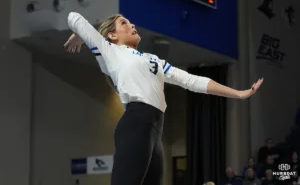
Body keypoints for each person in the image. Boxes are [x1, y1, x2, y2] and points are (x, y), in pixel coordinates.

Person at [64, 12, 264, 185]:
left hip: (155, 130)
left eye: (130, 22)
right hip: (135, 124)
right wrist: (81, 34)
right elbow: (74, 17)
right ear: (112, 35)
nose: (132, 24)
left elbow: (191, 80)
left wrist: (238, 93)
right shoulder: (109, 52)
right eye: (123, 23)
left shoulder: (153, 60)